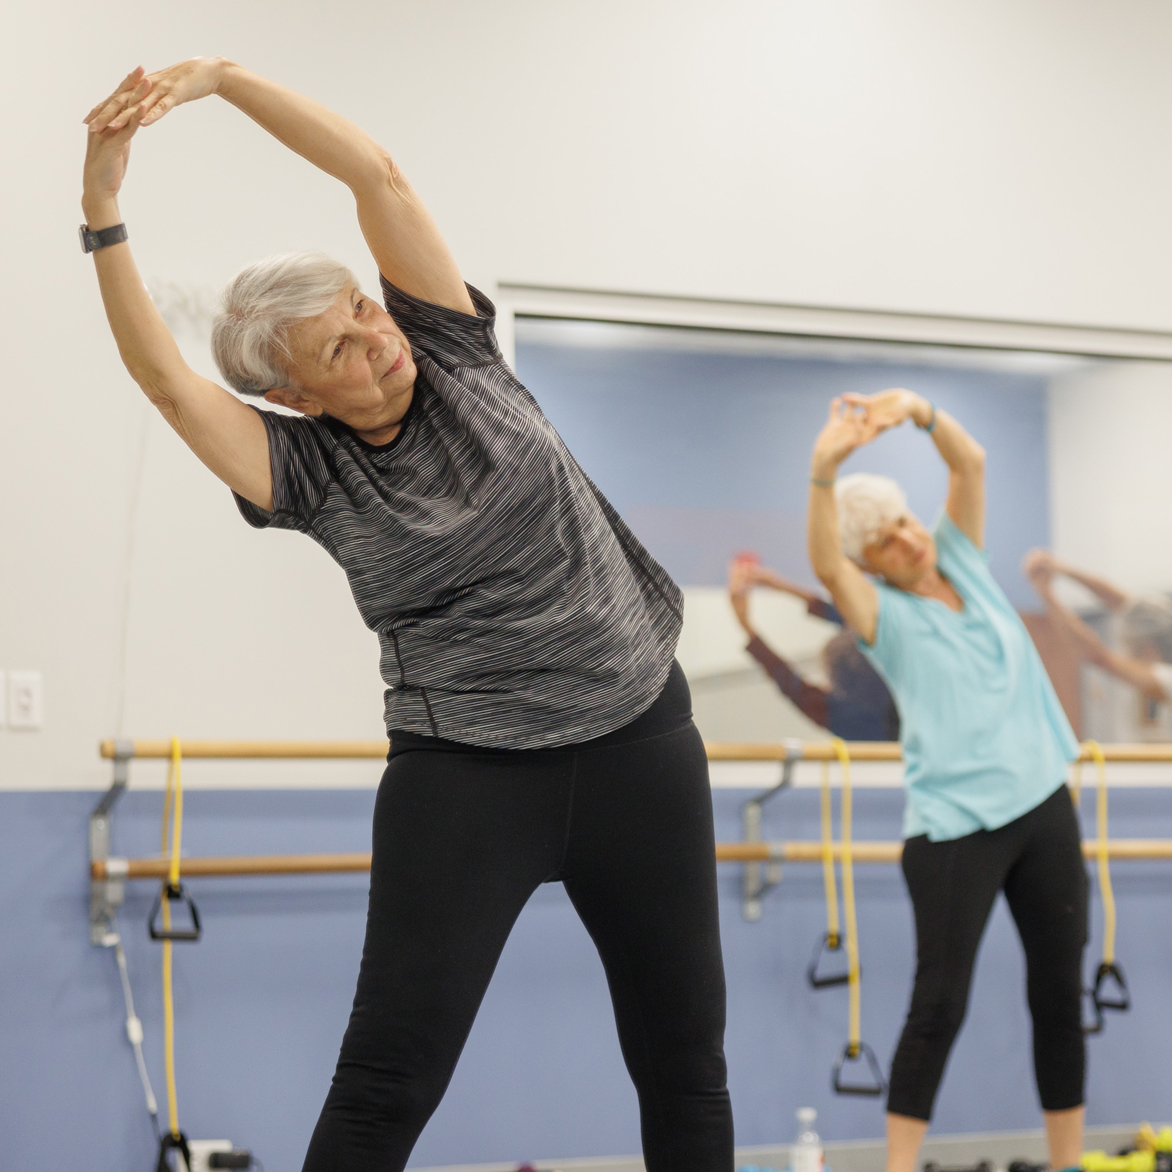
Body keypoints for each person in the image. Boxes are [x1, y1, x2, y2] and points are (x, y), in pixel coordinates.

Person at [82, 59, 732, 1172]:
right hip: (467, 777)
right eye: (338, 346)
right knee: (388, 1077)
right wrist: (103, 207)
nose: (376, 340)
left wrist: (225, 82)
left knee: (683, 1062)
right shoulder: (301, 468)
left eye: (361, 311)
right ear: (289, 392)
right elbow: (161, 377)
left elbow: (373, 173)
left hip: (641, 742)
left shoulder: (454, 346)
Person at [805, 390, 1086, 1172]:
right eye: (888, 540)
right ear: (873, 563)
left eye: (905, 520)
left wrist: (921, 413)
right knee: (939, 1006)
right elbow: (827, 559)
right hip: (956, 827)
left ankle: (1068, 1163)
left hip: (1044, 805)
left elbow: (970, 461)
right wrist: (825, 470)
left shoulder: (961, 556)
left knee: (1060, 1000)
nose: (908, 536)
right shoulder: (881, 616)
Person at [727, 554, 899, 740]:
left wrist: (745, 623)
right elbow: (852, 623)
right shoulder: (903, 680)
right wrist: (779, 586)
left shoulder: (848, 720)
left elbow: (792, 686)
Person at [1024, 550, 1172, 738]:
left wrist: (1046, 595)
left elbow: (1100, 656)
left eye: (1133, 644)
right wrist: (1061, 569)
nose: (1128, 650)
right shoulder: (1157, 643)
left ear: (1149, 648)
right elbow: (1123, 603)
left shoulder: (1166, 678)